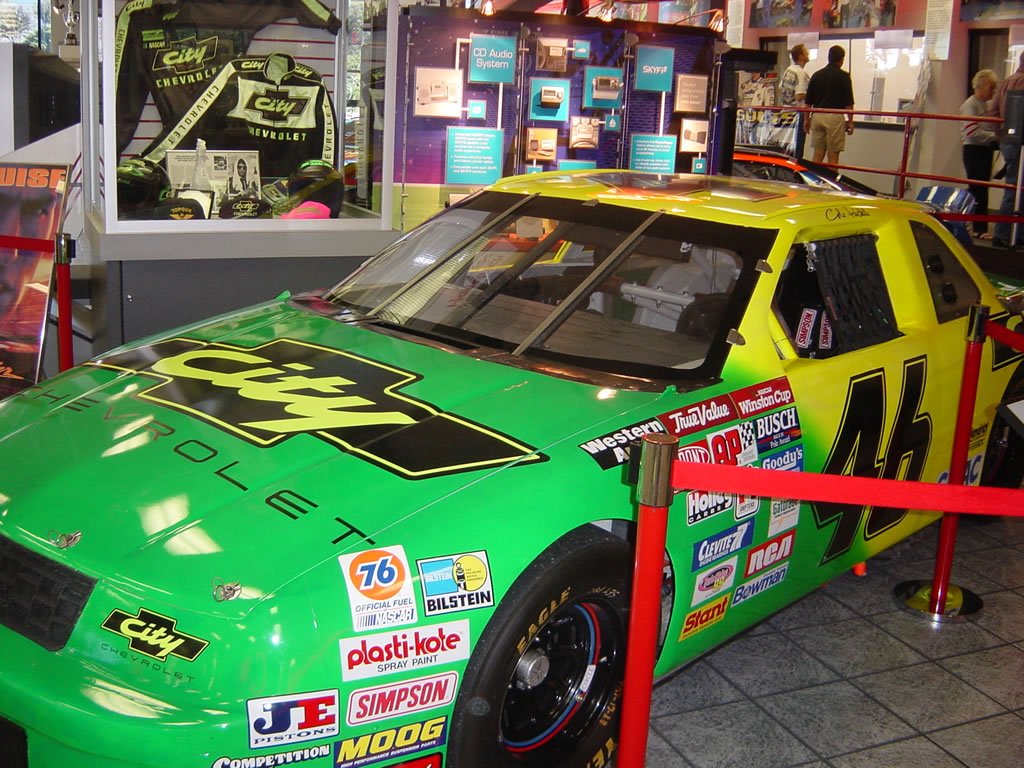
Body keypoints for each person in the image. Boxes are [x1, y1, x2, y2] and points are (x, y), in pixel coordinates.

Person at [960, 69, 999, 240]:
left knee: (981, 188)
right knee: (978, 188)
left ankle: (977, 225)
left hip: (983, 149)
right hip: (974, 150)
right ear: (981, 86)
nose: (993, 92)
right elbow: (972, 132)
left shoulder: (984, 105)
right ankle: (977, 227)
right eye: (991, 88)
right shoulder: (970, 105)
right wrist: (995, 136)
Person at [991, 52, 1024, 248]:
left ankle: (1003, 233)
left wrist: (1000, 135)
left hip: (1008, 140)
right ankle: (1012, 235)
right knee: (1018, 190)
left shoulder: (1006, 81)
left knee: (1012, 187)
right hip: (1020, 142)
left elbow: (993, 111)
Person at [804, 45, 855, 165]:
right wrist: (850, 121)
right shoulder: (844, 76)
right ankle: (831, 178)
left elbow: (808, 102)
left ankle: (814, 177)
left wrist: (806, 120)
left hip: (817, 116)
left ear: (828, 57)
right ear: (842, 59)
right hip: (835, 117)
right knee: (833, 157)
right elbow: (849, 103)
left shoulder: (816, 75)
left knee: (817, 154)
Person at [780, 43, 810, 158]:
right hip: (797, 113)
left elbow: (781, 87)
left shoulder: (788, 70)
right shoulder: (800, 73)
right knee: (797, 147)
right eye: (806, 52)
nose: (808, 54)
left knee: (786, 146)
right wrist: (811, 95)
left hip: (785, 111)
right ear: (801, 56)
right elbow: (799, 96)